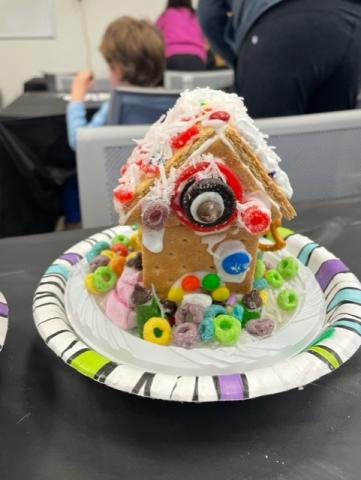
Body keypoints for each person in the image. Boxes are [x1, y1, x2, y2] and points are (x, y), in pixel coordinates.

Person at [64, 17, 165, 228]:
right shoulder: (172, 103)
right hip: (160, 203)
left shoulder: (115, 105)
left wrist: (76, 97)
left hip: (119, 207)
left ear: (117, 69)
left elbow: (79, 141)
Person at [198, 0, 361, 118]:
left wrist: (238, 59)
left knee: (264, 146)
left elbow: (210, 15)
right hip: (351, 23)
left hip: (278, 25)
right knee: (330, 146)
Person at [156, 0, 207, 71]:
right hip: (196, 59)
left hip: (172, 57)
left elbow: (155, 36)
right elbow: (206, 38)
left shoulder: (166, 15)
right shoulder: (196, 15)